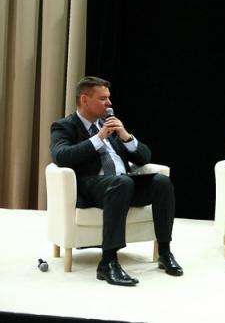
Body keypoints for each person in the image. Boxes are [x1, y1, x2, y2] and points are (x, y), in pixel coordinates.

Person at [50, 77, 182, 286]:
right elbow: (61, 156)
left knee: (161, 182)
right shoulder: (65, 126)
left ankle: (164, 252)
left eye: (108, 98)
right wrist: (98, 138)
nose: (109, 103)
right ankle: (108, 262)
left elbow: (144, 158)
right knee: (122, 183)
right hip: (92, 186)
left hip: (122, 184)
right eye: (103, 99)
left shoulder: (110, 125)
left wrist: (125, 136)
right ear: (84, 99)